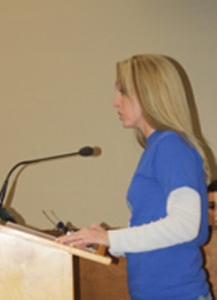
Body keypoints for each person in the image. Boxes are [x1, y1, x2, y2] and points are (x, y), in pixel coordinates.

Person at [56, 55, 213, 300]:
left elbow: (185, 226)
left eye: (123, 92)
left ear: (149, 93)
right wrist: (105, 242)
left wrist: (107, 237)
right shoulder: (157, 147)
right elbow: (155, 236)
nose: (115, 103)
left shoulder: (171, 146)